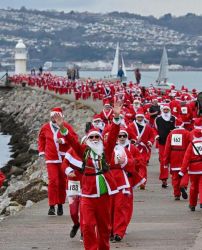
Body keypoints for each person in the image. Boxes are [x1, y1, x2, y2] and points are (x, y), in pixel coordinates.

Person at [53, 100, 123, 250]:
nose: (94, 139)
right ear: (88, 140)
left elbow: (113, 135)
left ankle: (104, 247)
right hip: (87, 192)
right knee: (87, 225)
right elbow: (72, 141)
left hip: (103, 190)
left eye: (97, 137)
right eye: (91, 137)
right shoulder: (83, 151)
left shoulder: (106, 150)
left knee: (104, 226)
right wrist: (62, 127)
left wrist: (116, 118)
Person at [38, 107, 77, 216]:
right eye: (53, 116)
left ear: (60, 116)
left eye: (56, 116)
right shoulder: (45, 127)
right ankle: (51, 206)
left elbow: (74, 138)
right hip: (51, 158)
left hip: (64, 158)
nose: (54, 118)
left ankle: (60, 204)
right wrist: (41, 151)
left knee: (62, 182)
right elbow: (41, 139)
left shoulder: (66, 126)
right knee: (53, 181)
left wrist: (63, 140)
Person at [164, 118, 190, 200]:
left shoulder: (171, 133)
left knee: (175, 176)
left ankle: (177, 194)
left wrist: (166, 161)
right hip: (184, 154)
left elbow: (167, 148)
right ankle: (183, 185)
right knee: (185, 172)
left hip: (173, 155)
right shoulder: (187, 133)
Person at [179, 128, 202, 211]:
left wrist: (182, 171)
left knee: (193, 187)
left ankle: (192, 204)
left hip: (193, 170)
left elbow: (186, 159)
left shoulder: (191, 144)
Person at [154, 104, 176, 188]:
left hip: (173, 143)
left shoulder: (173, 118)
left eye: (167, 110)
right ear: (162, 110)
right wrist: (156, 136)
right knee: (163, 161)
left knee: (173, 160)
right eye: (164, 110)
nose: (166, 111)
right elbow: (154, 129)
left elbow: (177, 127)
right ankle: (164, 179)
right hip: (162, 142)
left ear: (169, 110)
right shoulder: (158, 119)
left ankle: (174, 178)